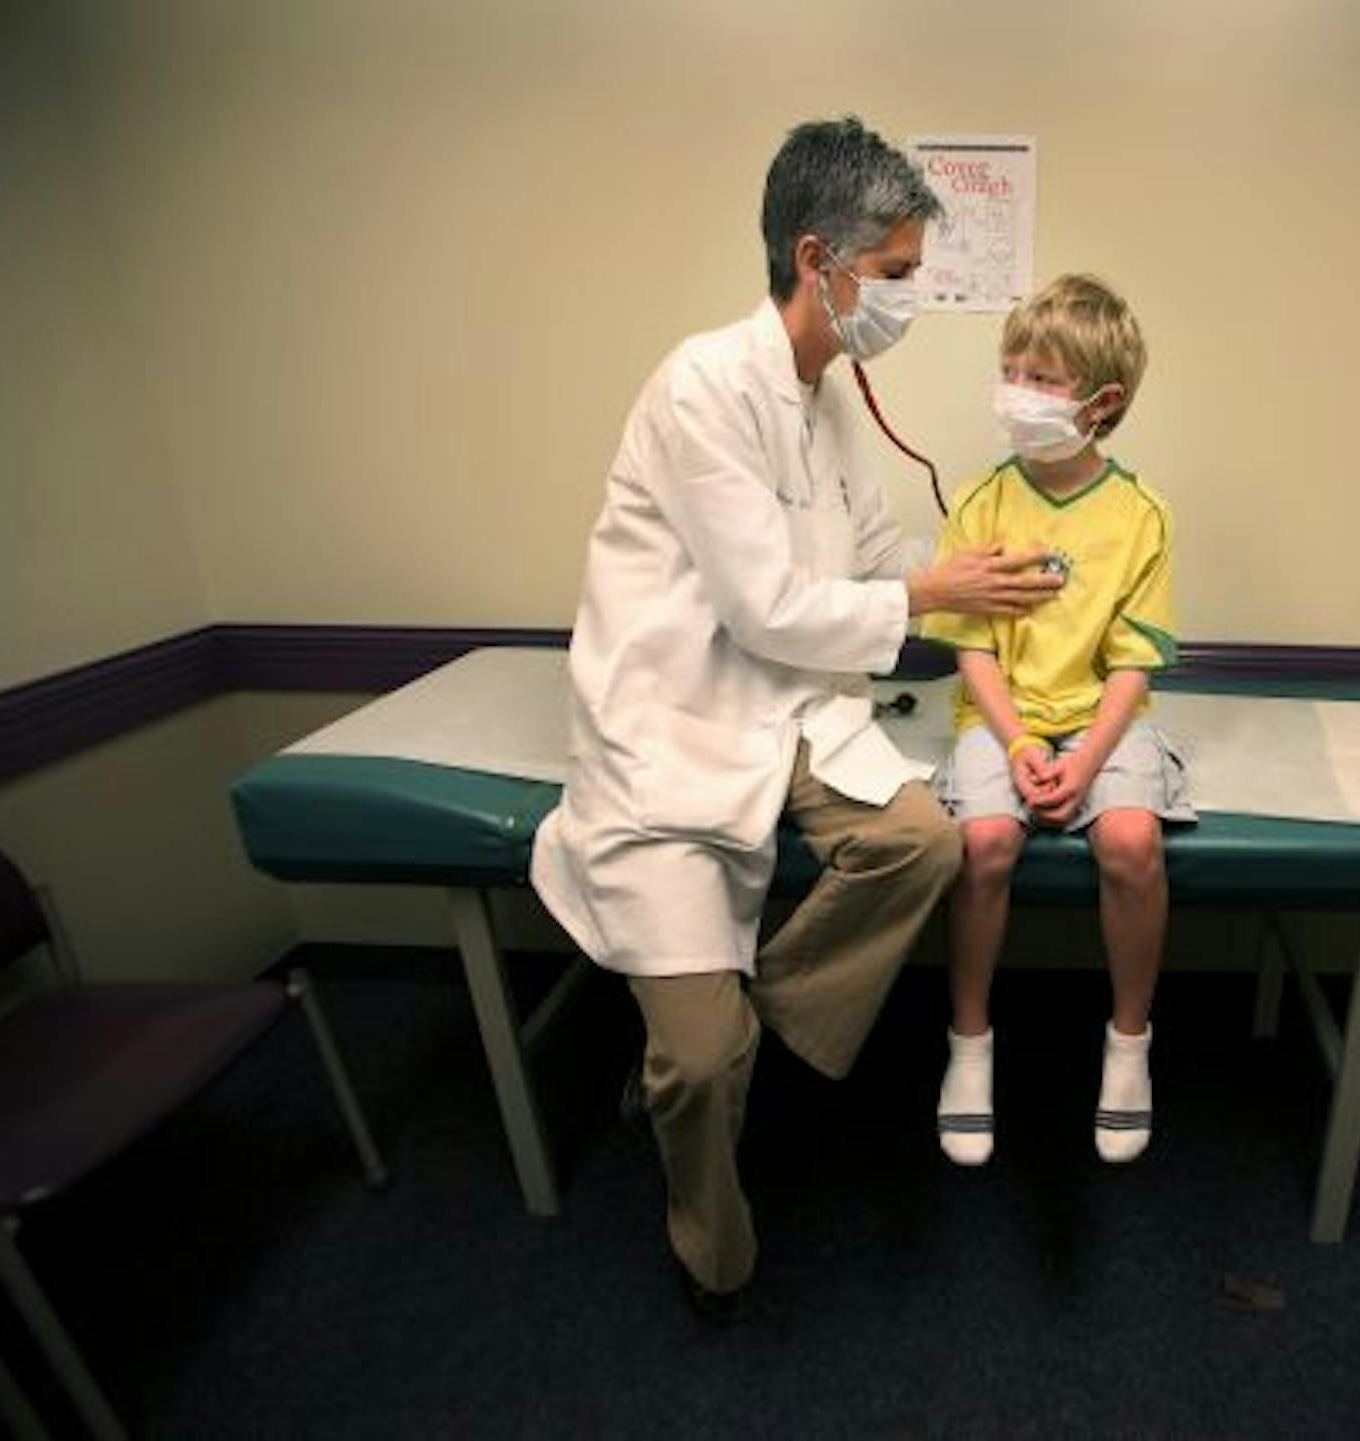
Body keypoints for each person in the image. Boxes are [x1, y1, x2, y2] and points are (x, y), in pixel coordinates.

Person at [531, 117, 1063, 1323]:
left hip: (787, 713)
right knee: (699, 1066)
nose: (910, 301)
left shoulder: (830, 398)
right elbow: (767, 606)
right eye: (898, 276)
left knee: (922, 841)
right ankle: (713, 1242)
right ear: (818, 258)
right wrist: (934, 594)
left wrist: (976, 570)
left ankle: (755, 1016)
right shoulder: (702, 387)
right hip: (671, 732)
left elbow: (873, 558)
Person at [919, 274, 1191, 1169]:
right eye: (1010, 370)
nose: (1016, 393)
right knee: (986, 843)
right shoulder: (982, 502)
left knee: (1129, 843)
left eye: (1042, 379)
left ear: (1102, 402)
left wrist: (1087, 758)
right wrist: (1024, 742)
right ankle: (969, 1044)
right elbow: (973, 649)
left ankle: (1129, 1044)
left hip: (1102, 719)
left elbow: (1133, 663)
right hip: (1004, 716)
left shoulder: (1140, 515)